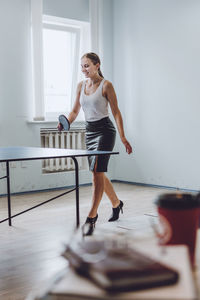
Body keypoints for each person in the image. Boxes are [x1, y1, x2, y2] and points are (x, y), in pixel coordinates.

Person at [58, 52, 132, 235]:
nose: (84, 69)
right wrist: (66, 121)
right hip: (89, 132)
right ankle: (116, 203)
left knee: (96, 173)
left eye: (87, 65)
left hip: (105, 131)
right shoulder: (80, 86)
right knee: (97, 172)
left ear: (97, 65)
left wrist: (123, 137)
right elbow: (75, 111)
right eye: (82, 66)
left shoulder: (107, 85)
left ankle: (91, 217)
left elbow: (116, 112)